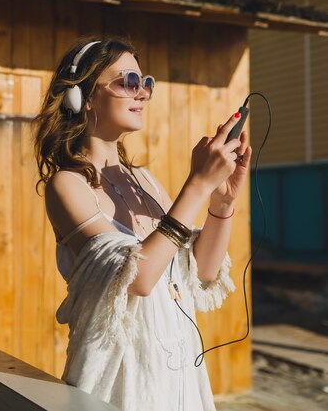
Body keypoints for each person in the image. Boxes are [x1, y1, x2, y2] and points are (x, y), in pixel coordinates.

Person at [33, 37, 252, 411]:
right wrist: (197, 184)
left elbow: (200, 273)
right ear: (81, 96)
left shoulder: (145, 180)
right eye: (127, 81)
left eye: (145, 82)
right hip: (121, 383)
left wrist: (221, 201)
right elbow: (137, 279)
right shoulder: (67, 184)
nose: (143, 93)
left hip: (178, 375)